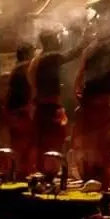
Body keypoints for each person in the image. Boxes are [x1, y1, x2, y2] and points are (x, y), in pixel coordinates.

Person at [73, 28, 110, 189]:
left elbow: (79, 76)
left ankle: (91, 180)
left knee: (90, 146)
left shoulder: (90, 49)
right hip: (98, 103)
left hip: (90, 101)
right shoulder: (105, 47)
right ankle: (99, 183)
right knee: (102, 146)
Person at [28, 27, 87, 170]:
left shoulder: (39, 59)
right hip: (49, 109)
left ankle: (44, 174)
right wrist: (85, 38)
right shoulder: (50, 57)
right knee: (52, 144)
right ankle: (49, 174)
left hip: (42, 108)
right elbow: (73, 54)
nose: (59, 41)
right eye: (56, 38)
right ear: (51, 42)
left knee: (44, 146)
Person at [3, 43, 36, 177]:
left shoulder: (15, 69)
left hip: (14, 114)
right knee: (25, 149)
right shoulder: (26, 67)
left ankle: (17, 176)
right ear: (27, 54)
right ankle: (23, 178)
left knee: (18, 149)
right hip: (22, 113)